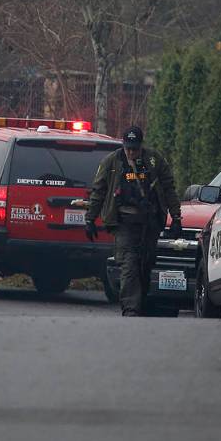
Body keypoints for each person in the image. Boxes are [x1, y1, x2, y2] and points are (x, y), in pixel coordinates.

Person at [84, 126, 181, 316]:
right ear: (123, 145)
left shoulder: (154, 160)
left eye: (135, 148)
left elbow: (169, 188)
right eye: (128, 148)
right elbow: (99, 192)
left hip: (150, 222)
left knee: (145, 263)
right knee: (129, 264)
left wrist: (176, 217)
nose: (131, 152)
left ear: (141, 146)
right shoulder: (112, 162)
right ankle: (130, 308)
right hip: (124, 223)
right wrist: (90, 219)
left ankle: (142, 302)